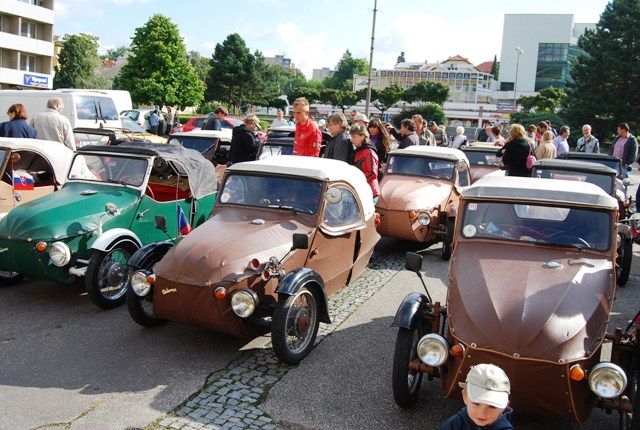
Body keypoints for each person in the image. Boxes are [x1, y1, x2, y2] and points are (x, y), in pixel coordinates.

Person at [440, 363, 513, 430]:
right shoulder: (454, 424)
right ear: (465, 397)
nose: (482, 413)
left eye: (492, 406)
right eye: (476, 403)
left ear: (504, 406)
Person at [350, 123, 379, 203]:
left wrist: (357, 180)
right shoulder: (359, 150)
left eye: (354, 137)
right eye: (351, 136)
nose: (351, 140)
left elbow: (372, 173)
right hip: (362, 191)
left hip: (370, 192)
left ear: (362, 136)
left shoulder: (369, 152)